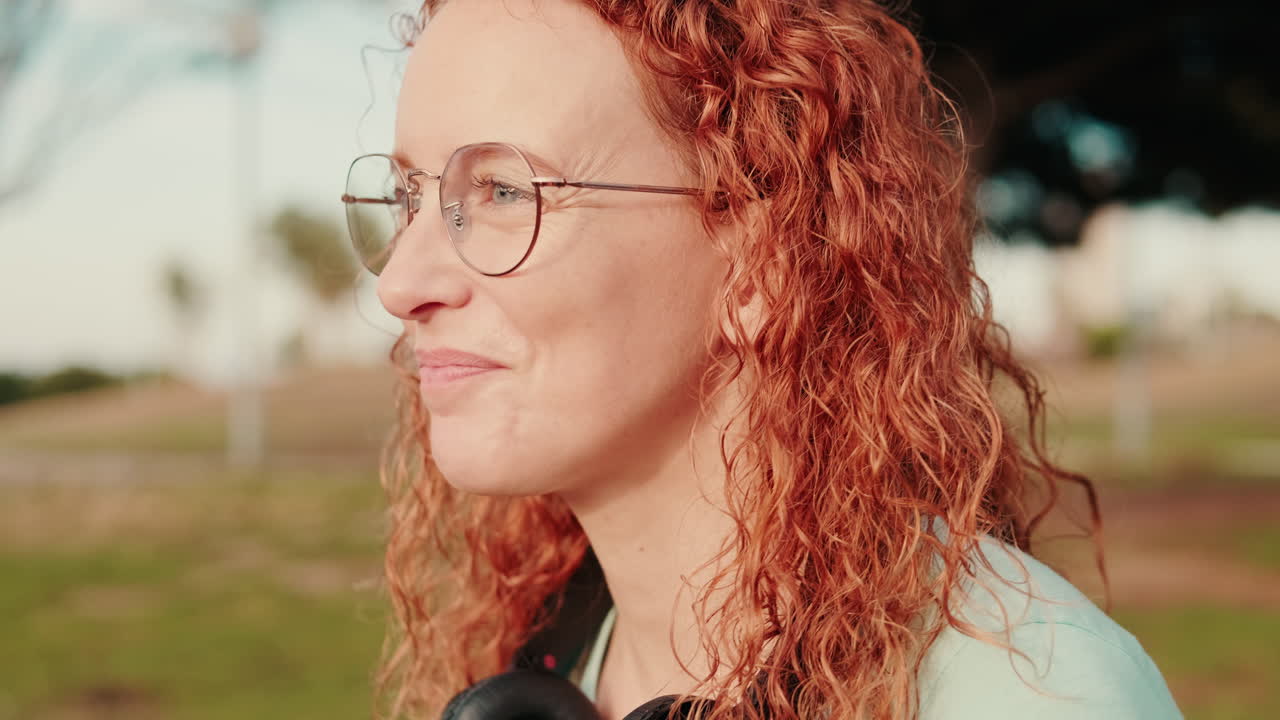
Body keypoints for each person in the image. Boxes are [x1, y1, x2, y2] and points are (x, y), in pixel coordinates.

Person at [342, 1, 1184, 719]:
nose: (400, 282)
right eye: (410, 197)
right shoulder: (562, 657)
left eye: (500, 191)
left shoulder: (1031, 695)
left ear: (764, 264)